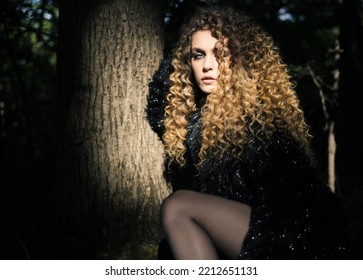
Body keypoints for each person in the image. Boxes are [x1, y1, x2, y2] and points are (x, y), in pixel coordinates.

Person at [146, 5, 351, 259]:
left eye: (220, 54)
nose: (208, 65)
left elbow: (293, 198)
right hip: (247, 226)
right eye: (198, 55)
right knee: (170, 249)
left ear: (240, 58)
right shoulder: (197, 121)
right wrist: (180, 58)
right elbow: (158, 102)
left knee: (178, 207)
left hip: (297, 232)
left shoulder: (260, 118)